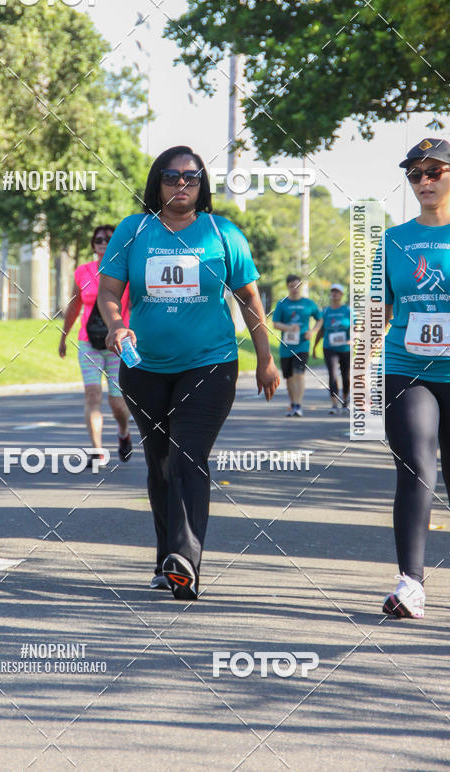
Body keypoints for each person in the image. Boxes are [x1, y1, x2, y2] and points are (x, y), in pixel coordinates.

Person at [97, 145, 279, 600]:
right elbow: (108, 293)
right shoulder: (133, 230)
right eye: (171, 176)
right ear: (156, 182)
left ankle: (185, 559)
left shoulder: (222, 232)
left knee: (187, 455)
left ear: (202, 185)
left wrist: (265, 358)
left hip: (210, 364)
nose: (182, 184)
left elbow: (249, 299)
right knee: (159, 463)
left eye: (191, 177)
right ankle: (167, 561)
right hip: (144, 368)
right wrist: (116, 326)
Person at [382, 137, 450, 619]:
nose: (424, 181)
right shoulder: (393, 240)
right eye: (415, 174)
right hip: (408, 367)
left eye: (434, 172)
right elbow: (377, 310)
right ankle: (411, 582)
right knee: (415, 465)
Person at [59, 225, 132, 465]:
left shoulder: (125, 270)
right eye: (98, 239)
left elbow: (135, 306)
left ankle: (123, 432)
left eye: (108, 239)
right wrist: (64, 337)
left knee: (117, 402)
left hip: (118, 343)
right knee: (92, 395)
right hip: (88, 342)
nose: (102, 243)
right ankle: (97, 450)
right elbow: (74, 306)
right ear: (93, 244)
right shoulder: (83, 271)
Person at [272, 274, 321, 417]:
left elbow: (320, 319)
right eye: (292, 286)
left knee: (298, 374)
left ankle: (298, 405)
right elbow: (275, 323)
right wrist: (288, 328)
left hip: (302, 346)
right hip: (286, 347)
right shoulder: (282, 304)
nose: (295, 289)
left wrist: (312, 332)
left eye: (297, 286)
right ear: (288, 286)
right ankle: (293, 404)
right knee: (289, 377)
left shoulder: (308, 303)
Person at [313, 284, 351, 414]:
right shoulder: (325, 311)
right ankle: (334, 403)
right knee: (332, 375)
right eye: (333, 291)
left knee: (346, 375)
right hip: (329, 347)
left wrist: (353, 339)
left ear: (341, 294)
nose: (335, 294)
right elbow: (320, 331)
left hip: (345, 348)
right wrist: (315, 347)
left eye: (337, 292)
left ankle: (345, 400)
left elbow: (356, 328)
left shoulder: (348, 311)